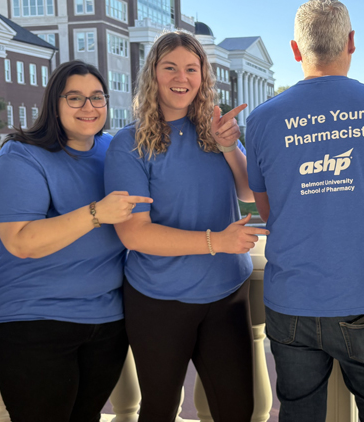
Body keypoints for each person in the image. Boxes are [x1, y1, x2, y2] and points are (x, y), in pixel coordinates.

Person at [245, 0, 364, 421]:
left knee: (299, 414)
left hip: (291, 304)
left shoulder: (263, 120)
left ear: (295, 49)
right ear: (351, 42)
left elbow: (270, 212)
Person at [105, 31, 265, 422]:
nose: (182, 77)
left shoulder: (216, 130)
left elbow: (248, 191)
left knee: (238, 410)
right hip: (158, 299)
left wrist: (230, 146)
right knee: (159, 410)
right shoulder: (128, 145)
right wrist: (217, 241)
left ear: (203, 76)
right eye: (170, 67)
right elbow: (134, 233)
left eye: (192, 68)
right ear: (153, 74)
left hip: (226, 295)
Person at [0, 60, 150, 421]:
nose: (88, 107)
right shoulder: (22, 154)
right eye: (74, 98)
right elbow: (21, 241)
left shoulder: (116, 150)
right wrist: (96, 214)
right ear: (54, 104)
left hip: (106, 323)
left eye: (97, 97)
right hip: (33, 323)